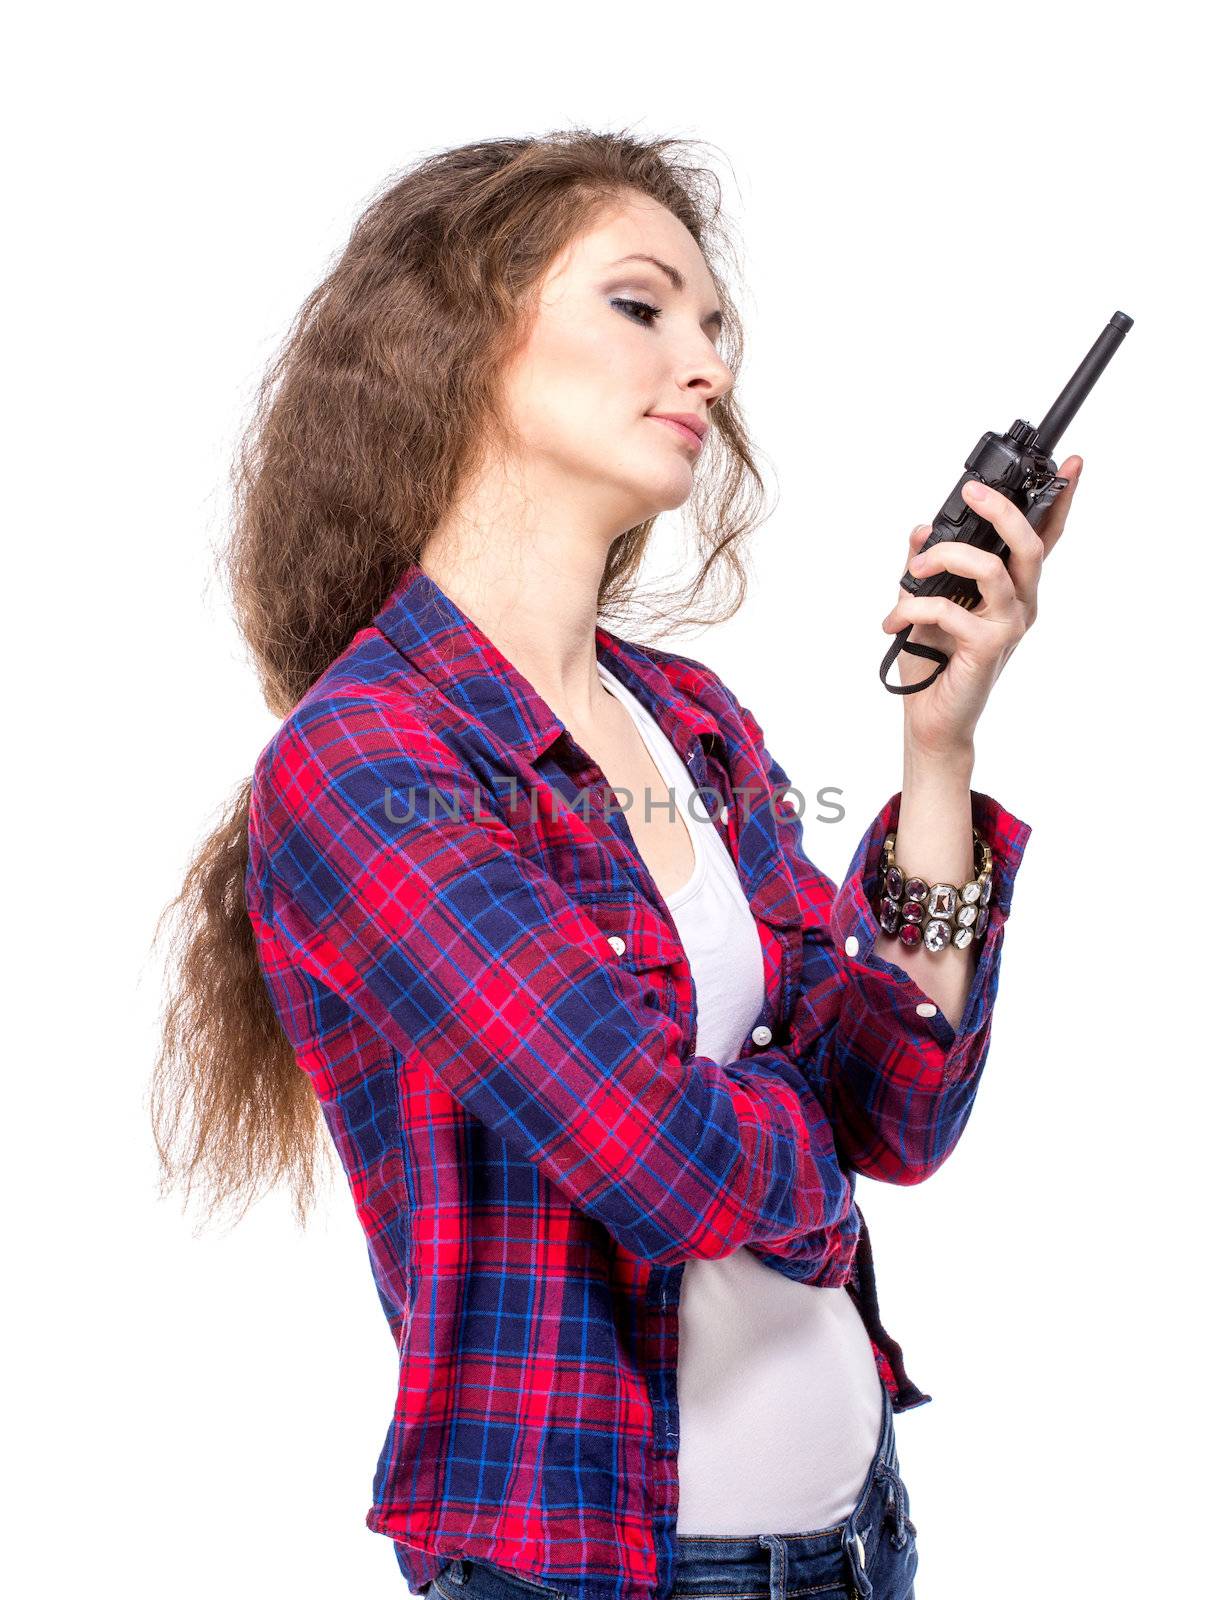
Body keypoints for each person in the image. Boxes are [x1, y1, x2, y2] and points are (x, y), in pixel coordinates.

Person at [151, 129, 1080, 1600]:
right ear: (454, 343)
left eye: (716, 328)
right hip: (594, 1572)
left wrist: (932, 755)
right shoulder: (366, 768)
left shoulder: (692, 722)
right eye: (642, 309)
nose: (704, 364)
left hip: (859, 1544)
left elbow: (895, 1110)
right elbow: (659, 1162)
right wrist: (800, 1140)